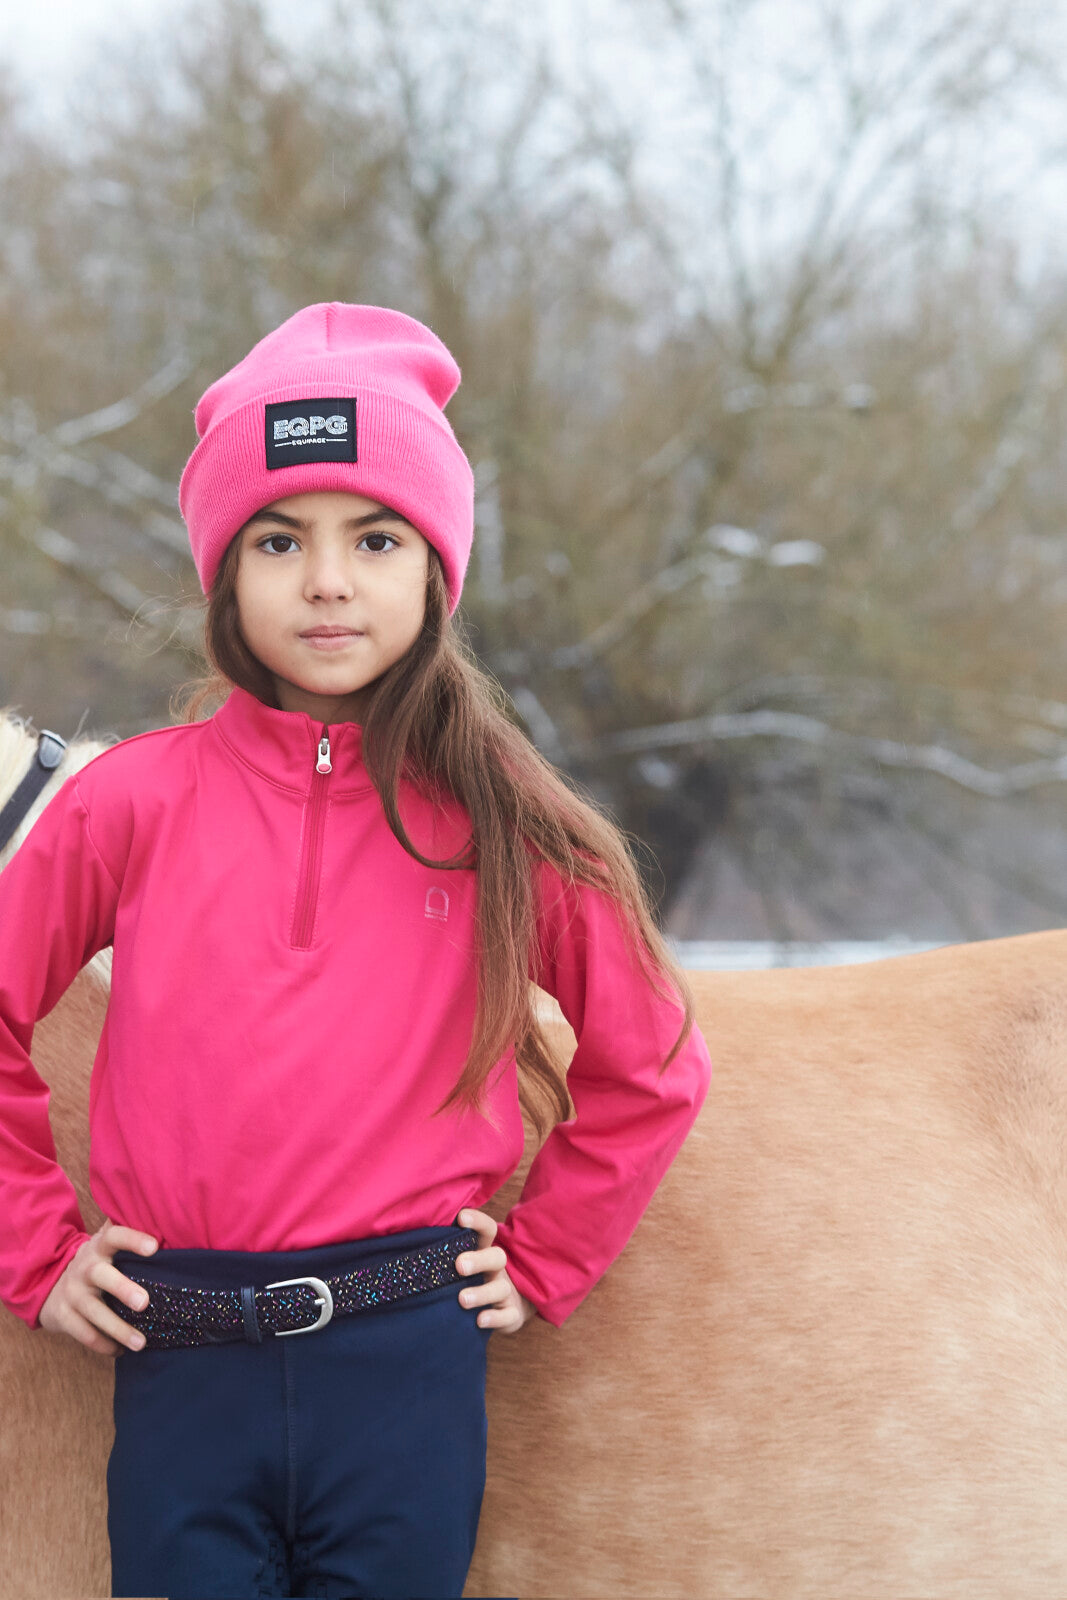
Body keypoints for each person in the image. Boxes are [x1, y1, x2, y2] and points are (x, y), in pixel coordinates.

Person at [0, 303, 712, 1599]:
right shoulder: (129, 803)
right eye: (279, 540)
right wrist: (39, 1255)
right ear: (227, 573)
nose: (327, 581)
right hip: (181, 1361)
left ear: (434, 569)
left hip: (405, 1365)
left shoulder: (503, 815)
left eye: (374, 538)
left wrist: (548, 1255)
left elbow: (652, 1062)